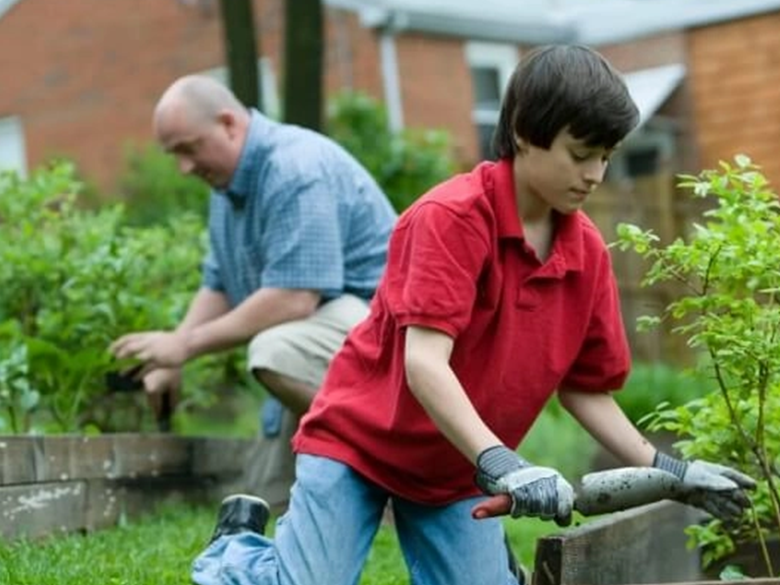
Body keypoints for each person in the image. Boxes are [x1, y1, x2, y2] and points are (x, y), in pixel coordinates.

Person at [191, 45, 756, 585]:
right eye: (580, 154)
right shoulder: (450, 218)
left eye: (606, 156)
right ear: (522, 134)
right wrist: (505, 464)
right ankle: (236, 552)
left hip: (453, 470)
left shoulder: (584, 253)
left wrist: (674, 474)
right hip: (359, 446)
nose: (596, 175)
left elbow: (586, 390)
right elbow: (426, 364)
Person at [110, 75, 397, 506]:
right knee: (267, 498)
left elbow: (294, 298)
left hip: (386, 337)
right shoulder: (227, 187)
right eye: (174, 156)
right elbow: (219, 282)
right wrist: (171, 357)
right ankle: (345, 489)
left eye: (189, 148)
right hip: (324, 338)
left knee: (275, 351)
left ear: (229, 123)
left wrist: (185, 345)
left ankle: (396, 473)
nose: (184, 168)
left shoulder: (294, 168)